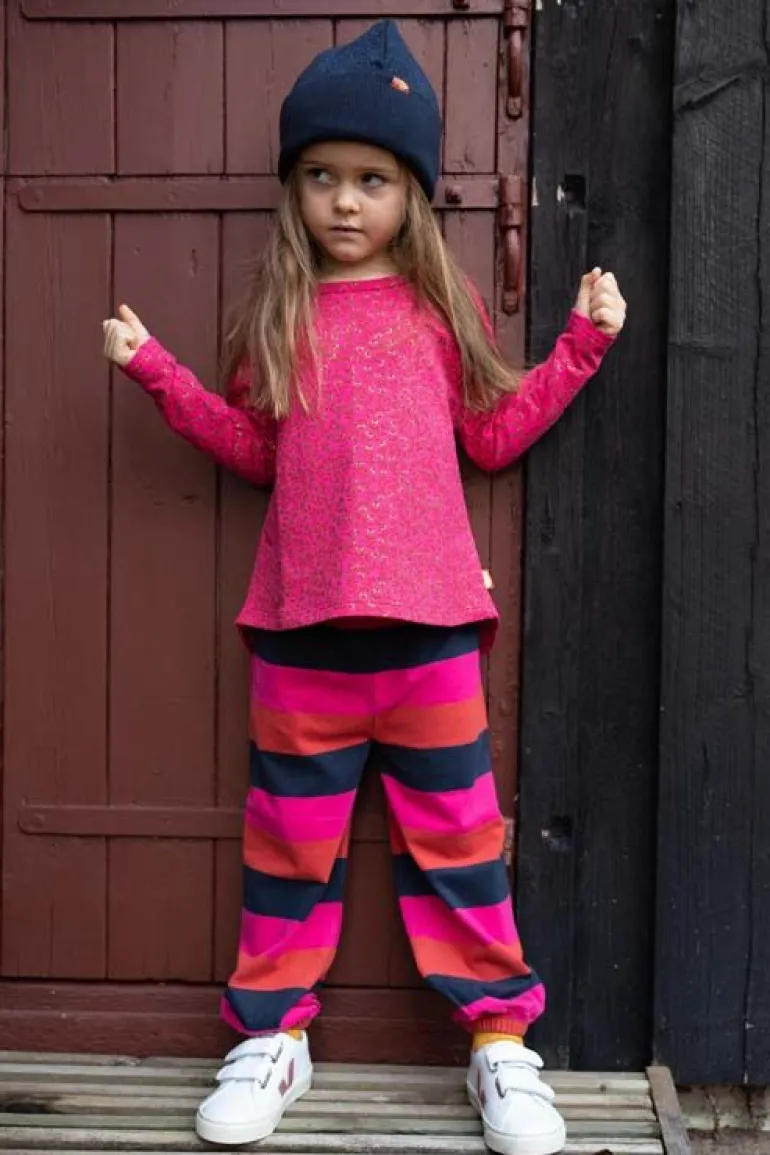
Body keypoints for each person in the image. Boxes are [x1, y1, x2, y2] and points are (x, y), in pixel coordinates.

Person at [102, 19, 626, 1155]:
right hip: (302, 638)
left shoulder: (440, 313)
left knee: (460, 845)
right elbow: (256, 451)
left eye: (372, 180)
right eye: (321, 176)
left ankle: (499, 1042)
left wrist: (578, 348)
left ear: (412, 193)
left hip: (431, 637)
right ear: (293, 188)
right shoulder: (278, 316)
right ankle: (271, 1037)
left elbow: (492, 436)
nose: (344, 200)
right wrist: (160, 377)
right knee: (288, 852)